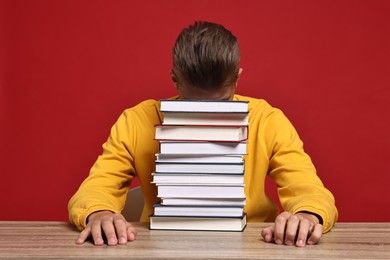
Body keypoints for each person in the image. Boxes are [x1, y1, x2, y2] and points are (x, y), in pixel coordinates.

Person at [68, 21, 338, 247]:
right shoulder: (137, 121)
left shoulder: (267, 120)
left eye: (221, 104)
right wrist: (99, 213)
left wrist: (307, 215)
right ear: (174, 78)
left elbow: (309, 188)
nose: (207, 116)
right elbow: (96, 187)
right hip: (164, 245)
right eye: (192, 105)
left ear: (237, 78)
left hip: (255, 245)